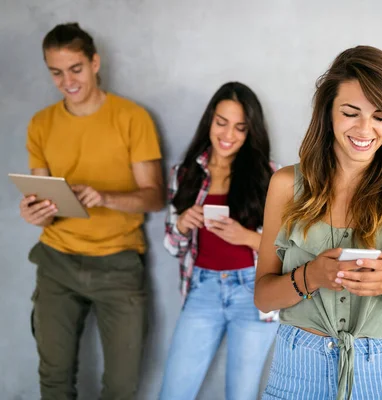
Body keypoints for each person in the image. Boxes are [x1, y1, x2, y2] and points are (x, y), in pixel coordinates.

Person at [254, 45, 382, 400]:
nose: (365, 129)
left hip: (378, 373)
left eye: (380, 117)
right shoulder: (285, 185)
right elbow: (263, 297)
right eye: (351, 112)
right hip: (297, 367)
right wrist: (312, 276)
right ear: (328, 113)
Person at [21, 23, 164, 400]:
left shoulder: (133, 118)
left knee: (121, 387)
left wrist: (105, 197)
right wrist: (36, 212)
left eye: (76, 68)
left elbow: (155, 197)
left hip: (118, 265)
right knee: (53, 381)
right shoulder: (41, 124)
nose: (67, 80)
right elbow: (43, 197)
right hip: (57, 261)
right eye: (56, 72)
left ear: (95, 62)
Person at [159, 82, 279, 400]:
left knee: (241, 395)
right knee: (173, 393)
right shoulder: (184, 174)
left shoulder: (270, 176)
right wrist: (183, 225)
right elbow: (172, 246)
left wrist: (247, 237)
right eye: (221, 123)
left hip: (253, 294)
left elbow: (289, 250)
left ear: (251, 131)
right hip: (202, 291)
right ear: (210, 120)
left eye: (240, 127)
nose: (228, 135)